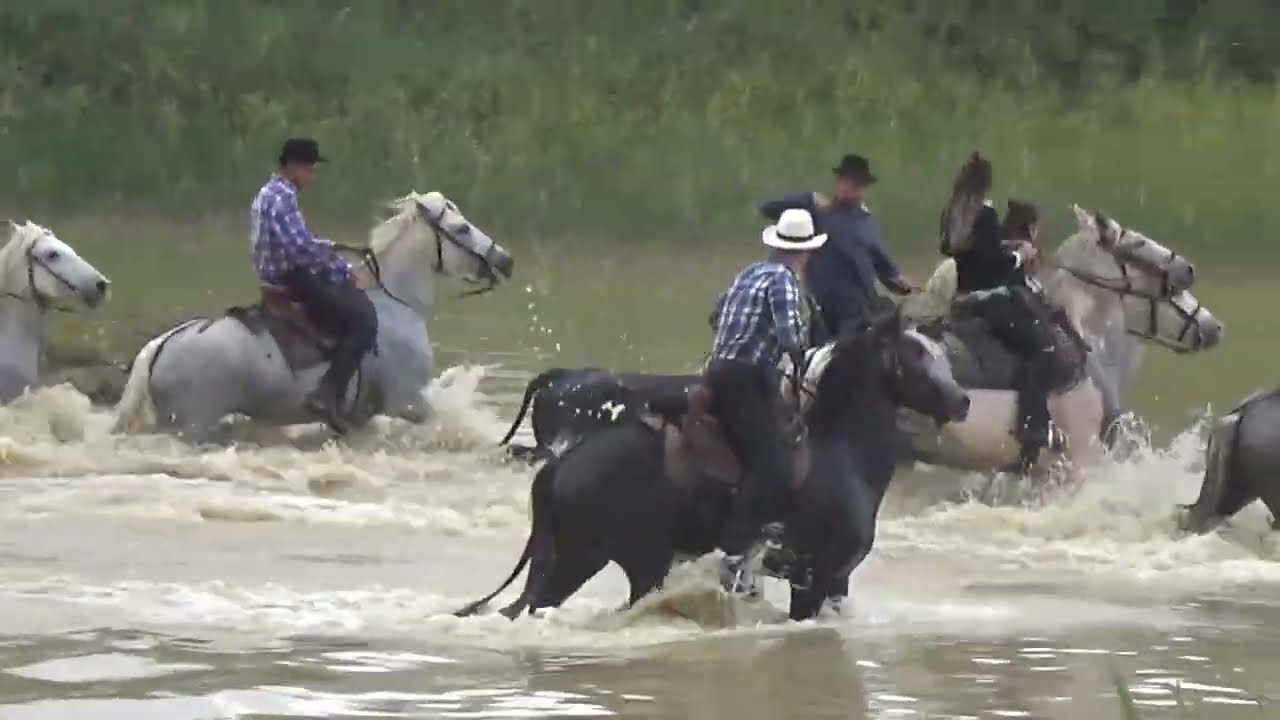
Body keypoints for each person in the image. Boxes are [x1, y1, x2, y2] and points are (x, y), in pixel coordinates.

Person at [706, 207, 824, 597]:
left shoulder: (749, 273)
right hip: (747, 379)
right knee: (772, 466)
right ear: (806, 253)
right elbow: (792, 339)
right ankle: (734, 553)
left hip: (718, 370)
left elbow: (714, 315)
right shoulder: (786, 282)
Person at [939, 152, 1063, 473]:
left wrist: (1002, 249)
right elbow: (993, 263)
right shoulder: (985, 214)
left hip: (963, 300)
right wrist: (1020, 255)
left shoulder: (953, 213)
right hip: (991, 303)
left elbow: (969, 255)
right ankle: (1033, 424)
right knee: (1043, 349)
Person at [249, 137, 378, 434]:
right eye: (310, 169)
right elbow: (300, 250)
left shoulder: (269, 193)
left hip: (281, 272)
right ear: (295, 167)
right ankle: (326, 394)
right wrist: (343, 268)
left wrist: (338, 247)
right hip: (292, 277)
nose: (313, 176)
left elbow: (300, 244)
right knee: (363, 320)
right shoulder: (283, 198)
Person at [759, 154, 915, 345]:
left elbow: (883, 266)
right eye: (846, 181)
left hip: (856, 310)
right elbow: (768, 209)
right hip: (823, 309)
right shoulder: (815, 211)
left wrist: (900, 282)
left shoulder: (866, 222)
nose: (849, 188)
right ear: (838, 182)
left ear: (863, 188)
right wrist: (808, 197)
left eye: (856, 184)